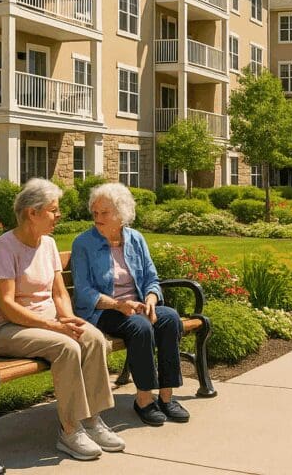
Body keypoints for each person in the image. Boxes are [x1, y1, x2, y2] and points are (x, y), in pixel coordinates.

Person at [0, 178, 123, 461]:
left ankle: (93, 420)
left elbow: (59, 293)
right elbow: (8, 306)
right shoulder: (4, 248)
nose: (58, 216)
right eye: (53, 210)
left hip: (48, 325)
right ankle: (70, 431)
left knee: (93, 337)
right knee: (66, 347)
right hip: (7, 330)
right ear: (31, 213)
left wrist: (70, 321)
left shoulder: (47, 244)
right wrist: (53, 327)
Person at [71, 182, 189, 427]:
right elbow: (83, 292)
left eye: (104, 213)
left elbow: (150, 278)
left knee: (169, 318)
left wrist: (150, 300)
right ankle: (144, 399)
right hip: (102, 311)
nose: (98, 218)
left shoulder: (135, 238)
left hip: (136, 306)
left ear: (121, 214)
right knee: (140, 326)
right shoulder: (83, 243)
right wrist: (118, 304)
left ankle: (166, 397)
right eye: (95, 212)